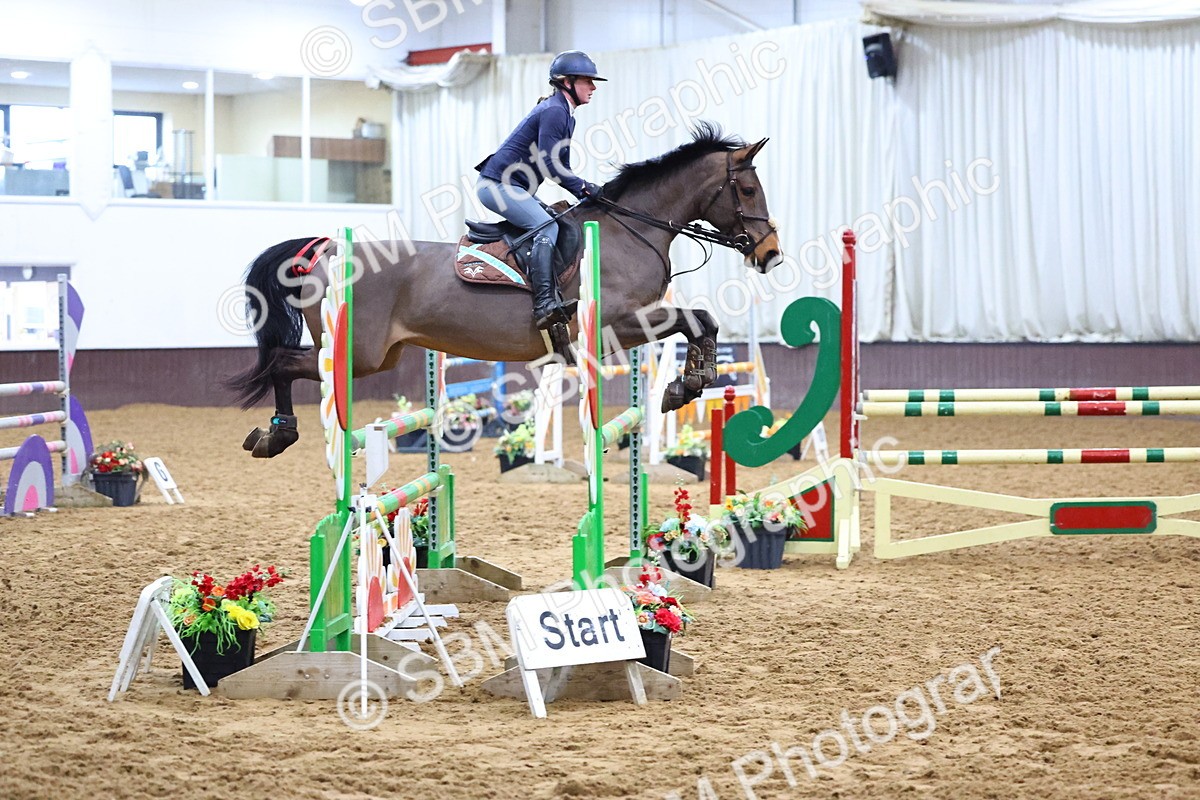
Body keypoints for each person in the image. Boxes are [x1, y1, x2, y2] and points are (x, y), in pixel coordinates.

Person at [475, 50, 605, 330]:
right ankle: (544, 303)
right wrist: (581, 186)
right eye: (587, 81)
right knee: (547, 228)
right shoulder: (555, 111)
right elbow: (550, 164)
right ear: (567, 82)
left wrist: (583, 193)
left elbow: (562, 165)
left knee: (557, 222)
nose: (593, 87)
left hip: (513, 186)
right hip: (497, 186)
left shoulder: (566, 114)